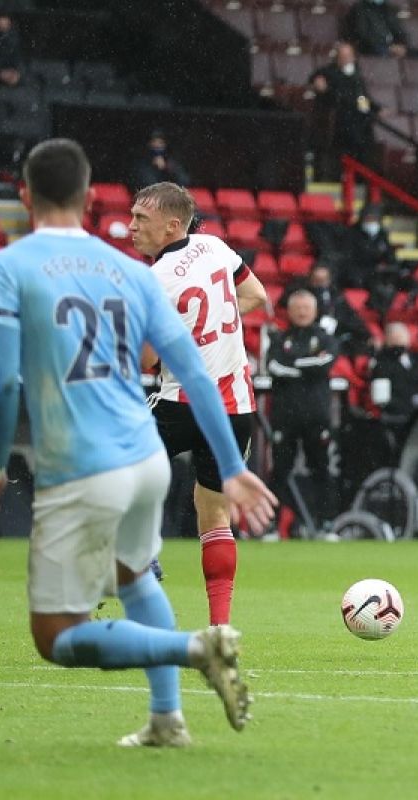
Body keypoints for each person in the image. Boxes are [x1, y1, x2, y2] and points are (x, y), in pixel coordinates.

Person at [0, 138, 276, 747]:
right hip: (193, 424)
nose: (131, 223)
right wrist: (235, 463)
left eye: (139, 215)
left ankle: (197, 645)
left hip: (93, 450)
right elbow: (197, 361)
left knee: (58, 632)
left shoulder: (8, 268)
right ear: (87, 199)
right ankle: (170, 714)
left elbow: (2, 381)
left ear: (25, 196)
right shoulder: (144, 270)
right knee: (144, 568)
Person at [127, 182, 269, 626]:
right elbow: (256, 297)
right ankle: (220, 627)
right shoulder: (213, 246)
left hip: (181, 402)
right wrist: (212, 333)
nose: (131, 227)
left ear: (171, 225)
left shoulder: (151, 280)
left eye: (141, 219)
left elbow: (148, 358)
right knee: (214, 514)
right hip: (236, 407)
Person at [266, 290, 339, 536]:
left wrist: (294, 364)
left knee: (321, 468)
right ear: (289, 310)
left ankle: (326, 524)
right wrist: (307, 364)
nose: (302, 311)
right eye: (297, 307)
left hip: (316, 416)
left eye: (307, 307)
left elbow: (325, 363)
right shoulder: (280, 338)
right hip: (285, 416)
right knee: (279, 470)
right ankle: (272, 526)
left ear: (315, 310)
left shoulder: (325, 338)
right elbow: (274, 366)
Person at [309, 42, 379, 176]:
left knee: (367, 130)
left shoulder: (357, 76)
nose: (345, 59)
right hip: (341, 118)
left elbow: (362, 97)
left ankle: (363, 176)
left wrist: (371, 110)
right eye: (342, 56)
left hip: (358, 118)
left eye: (348, 56)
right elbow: (316, 79)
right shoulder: (330, 72)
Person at [280, 262, 371, 353]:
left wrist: (367, 336)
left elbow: (351, 317)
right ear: (310, 279)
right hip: (311, 336)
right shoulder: (302, 296)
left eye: (323, 280)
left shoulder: (337, 297)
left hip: (337, 336)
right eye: (317, 280)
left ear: (329, 280)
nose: (320, 284)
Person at [342, 0, 408, 58]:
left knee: (414, 54)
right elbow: (363, 34)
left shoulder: (388, 8)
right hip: (371, 47)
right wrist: (389, 47)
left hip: (391, 45)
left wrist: (401, 44)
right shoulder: (361, 8)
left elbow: (397, 29)